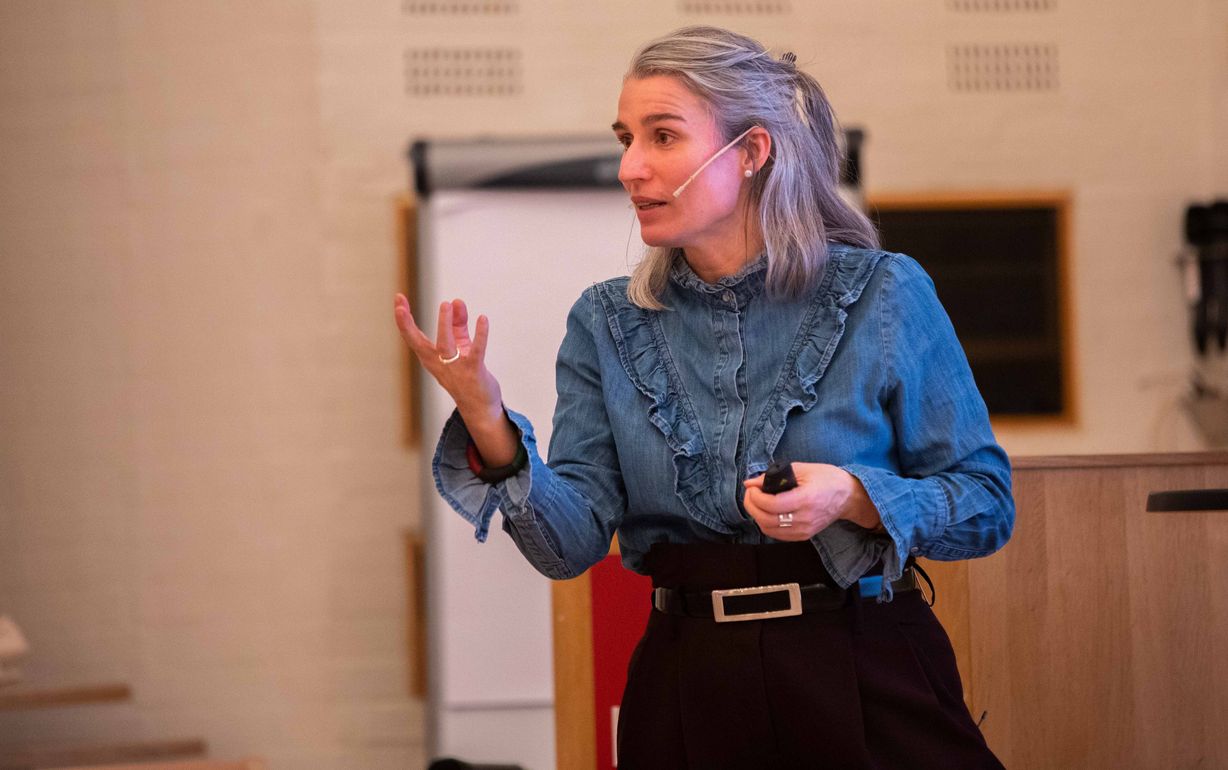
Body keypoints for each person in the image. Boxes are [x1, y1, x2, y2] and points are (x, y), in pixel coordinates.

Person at [395, 25, 1013, 770]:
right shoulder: (606, 321)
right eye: (626, 138)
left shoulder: (885, 293)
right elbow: (570, 546)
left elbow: (986, 504)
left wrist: (853, 496)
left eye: (662, 137)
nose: (629, 168)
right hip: (688, 686)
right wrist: (487, 419)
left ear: (751, 153)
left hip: (865, 667)